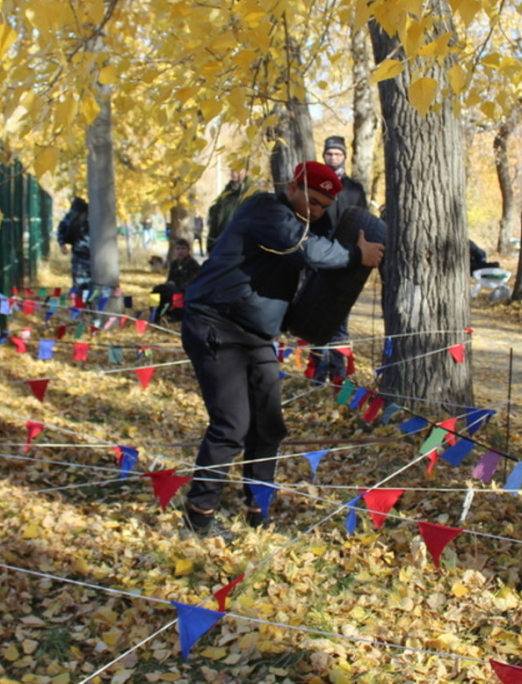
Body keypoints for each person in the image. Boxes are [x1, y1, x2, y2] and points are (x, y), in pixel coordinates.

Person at [181, 161, 385, 539]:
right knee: (231, 426)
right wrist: (357, 256)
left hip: (257, 335)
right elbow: (306, 250)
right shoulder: (266, 211)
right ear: (293, 187)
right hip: (215, 325)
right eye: (313, 201)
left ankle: (257, 508)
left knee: (269, 426)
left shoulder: (303, 217)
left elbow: (323, 236)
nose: (318, 211)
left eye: (325, 206)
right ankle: (198, 518)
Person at [308, 136, 369, 385]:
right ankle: (317, 371)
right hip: (318, 259)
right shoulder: (314, 185)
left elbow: (364, 221)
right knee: (314, 316)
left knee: (340, 319)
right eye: (329, 153)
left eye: (337, 154)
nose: (333, 158)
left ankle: (338, 370)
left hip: (346, 260)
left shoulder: (354, 189)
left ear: (345, 156)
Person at [206, 168, 255, 253]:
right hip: (221, 246)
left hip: (243, 249)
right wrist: (210, 246)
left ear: (247, 172)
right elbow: (215, 221)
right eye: (232, 169)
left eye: (237, 169)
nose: (233, 172)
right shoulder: (226, 194)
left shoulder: (253, 194)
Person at [151, 238, 199, 321]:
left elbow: (193, 281)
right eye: (178, 249)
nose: (180, 251)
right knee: (156, 290)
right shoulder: (174, 263)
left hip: (186, 290)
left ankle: (176, 315)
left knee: (176, 293)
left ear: (188, 250)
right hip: (172, 287)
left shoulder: (193, 264)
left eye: (183, 249)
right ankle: (154, 312)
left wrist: (176, 284)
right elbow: (170, 278)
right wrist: (170, 282)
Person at [57, 197, 91, 293]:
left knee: (80, 280)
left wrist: (62, 243)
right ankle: (82, 302)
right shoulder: (78, 214)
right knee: (82, 281)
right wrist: (62, 243)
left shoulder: (74, 214)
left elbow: (62, 228)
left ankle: (81, 301)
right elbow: (62, 228)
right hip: (85, 253)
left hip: (81, 252)